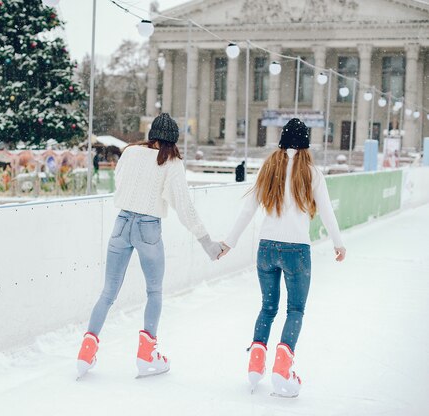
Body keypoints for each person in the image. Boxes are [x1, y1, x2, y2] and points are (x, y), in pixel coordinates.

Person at [77, 113, 223, 379]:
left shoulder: (130, 153)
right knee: (154, 291)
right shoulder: (172, 162)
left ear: (152, 134)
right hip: (148, 227)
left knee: (108, 293)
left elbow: (120, 184)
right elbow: (184, 206)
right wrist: (207, 243)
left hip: (121, 223)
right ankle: (147, 354)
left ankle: (87, 350)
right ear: (173, 140)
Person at [219, 118, 346, 397]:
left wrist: (229, 242)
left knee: (267, 308)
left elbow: (247, 210)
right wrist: (339, 243)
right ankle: (282, 369)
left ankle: (255, 366)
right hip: (296, 251)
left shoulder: (269, 169)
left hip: (267, 249)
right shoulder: (312, 174)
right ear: (305, 146)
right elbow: (327, 212)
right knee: (295, 310)